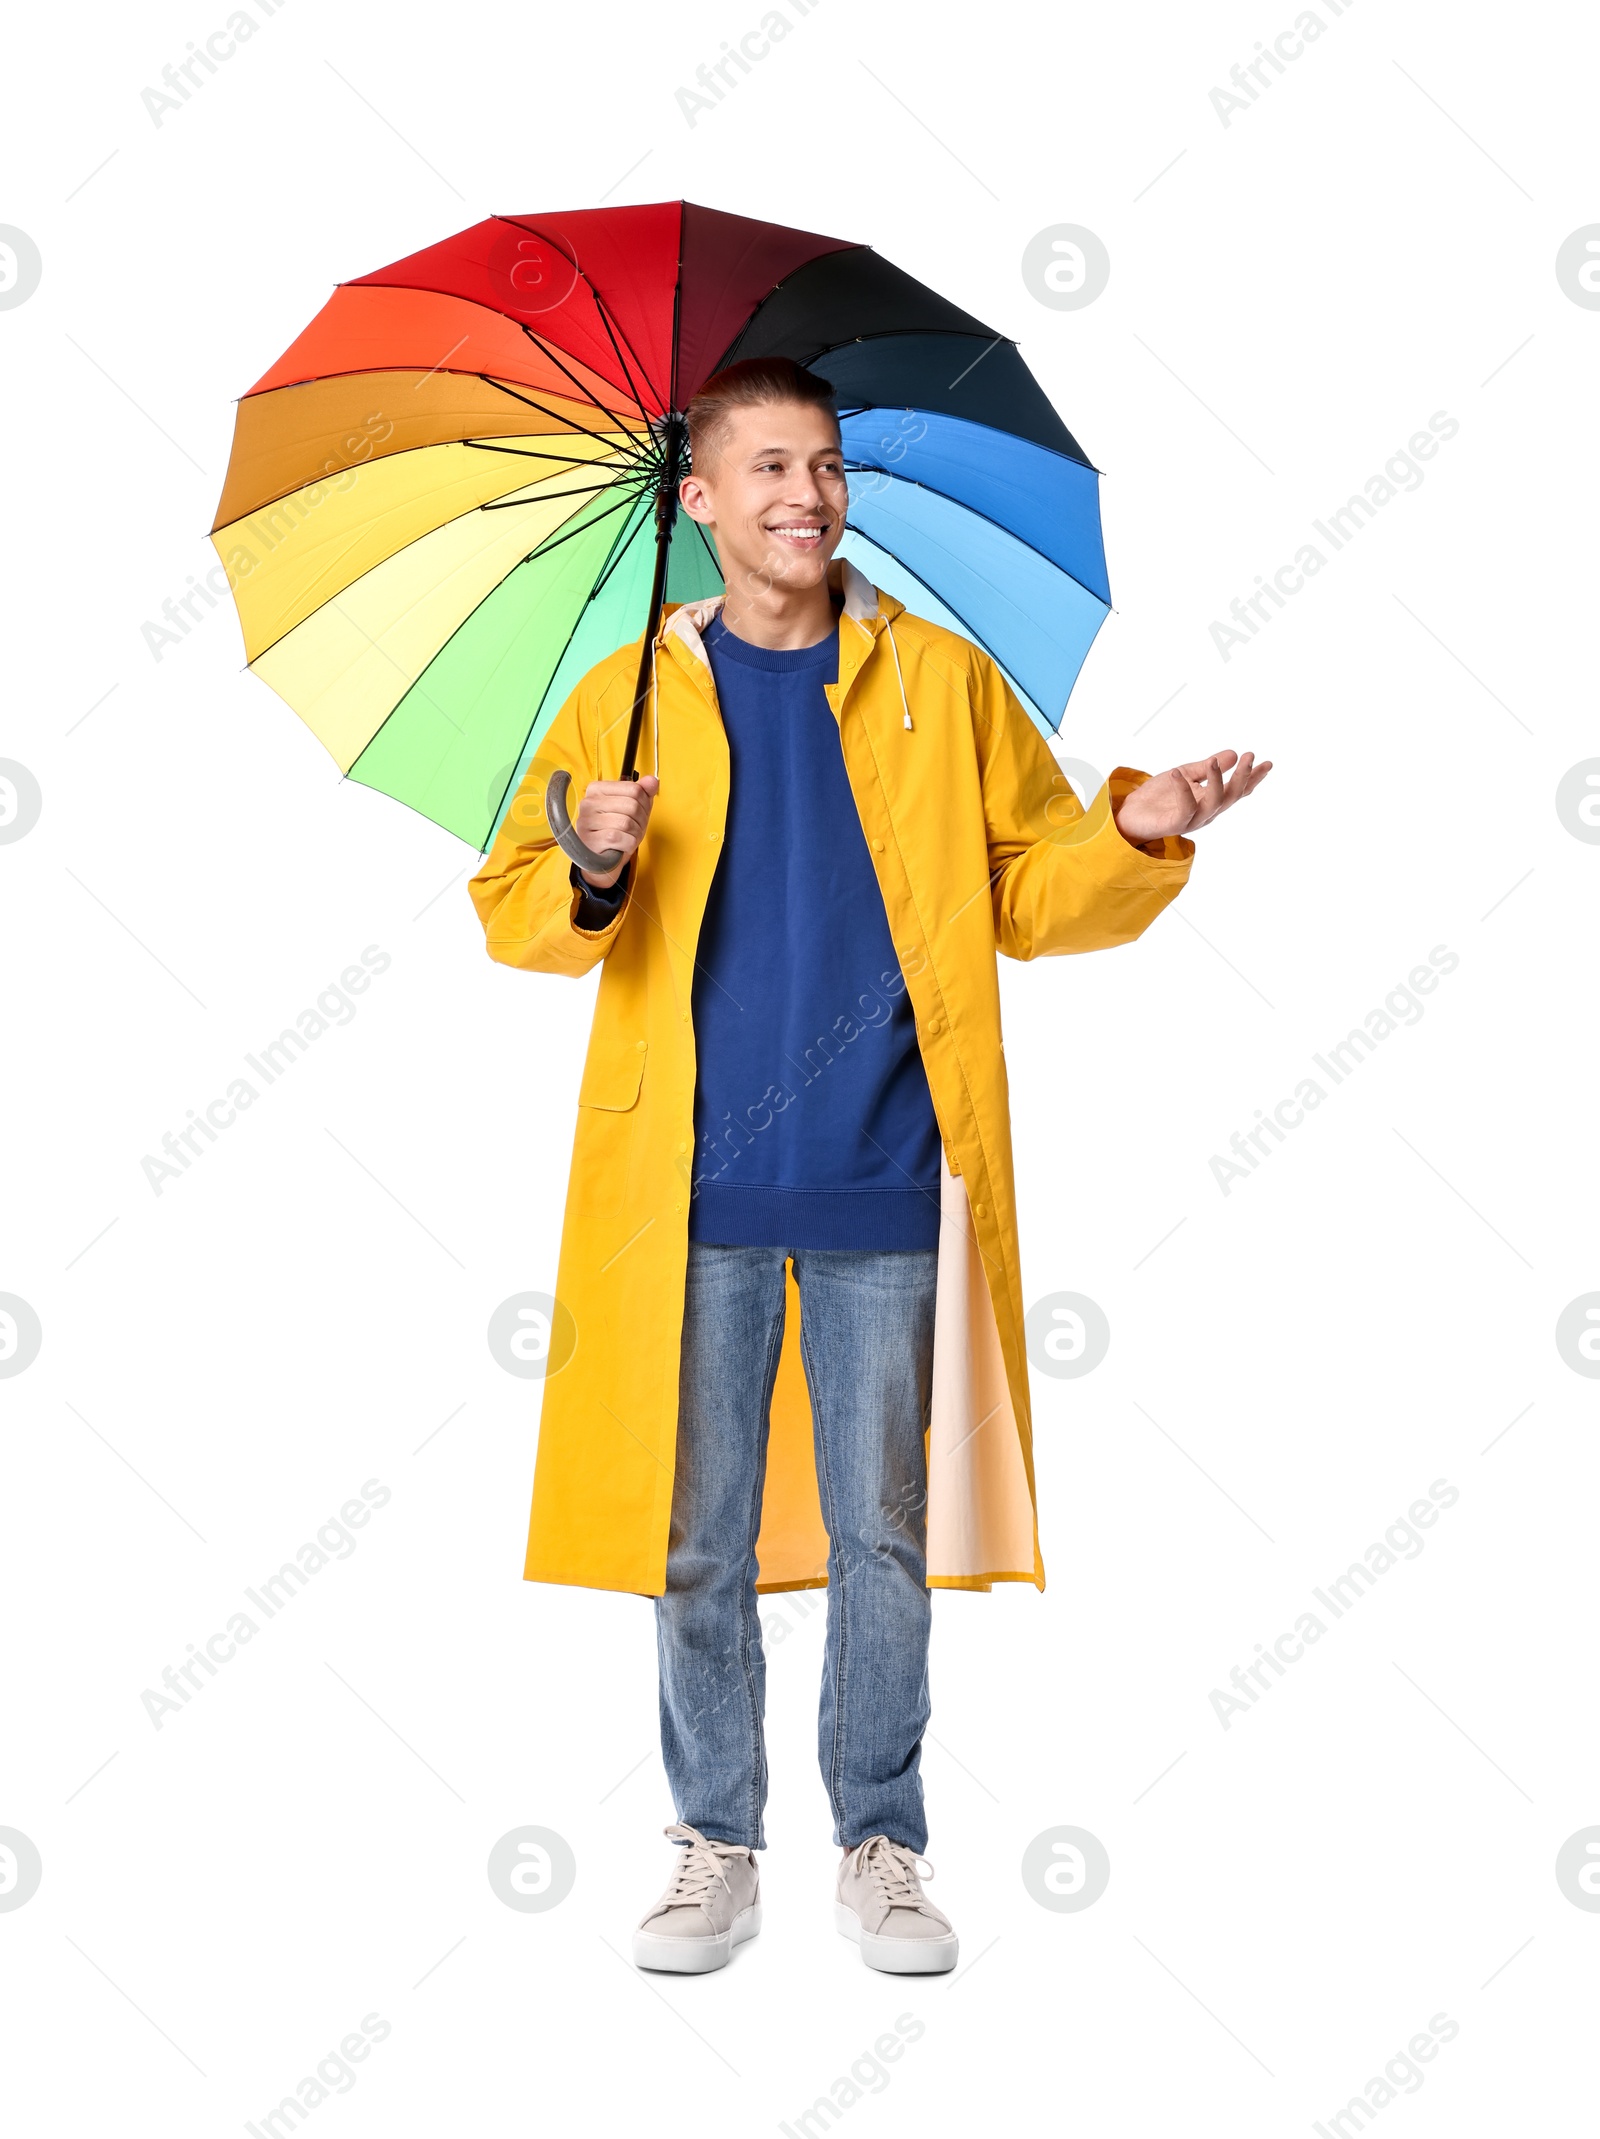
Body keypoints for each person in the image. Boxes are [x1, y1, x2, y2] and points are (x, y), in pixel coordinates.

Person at [468, 355, 1270, 1978]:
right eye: (765, 469)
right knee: (690, 1536)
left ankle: (883, 1840)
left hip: (888, 1179)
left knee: (884, 1535)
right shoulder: (628, 699)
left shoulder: (941, 682)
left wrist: (1135, 828)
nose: (804, 497)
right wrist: (594, 855)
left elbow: (1032, 897)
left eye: (823, 467)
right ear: (694, 499)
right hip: (684, 1191)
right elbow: (515, 913)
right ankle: (713, 1842)